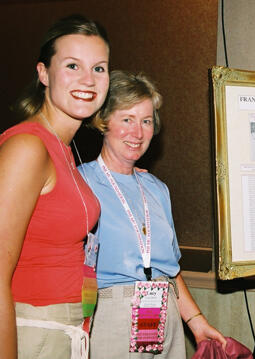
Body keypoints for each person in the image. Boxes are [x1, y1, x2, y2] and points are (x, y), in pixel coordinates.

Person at [78, 70, 226, 358]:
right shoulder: (80, 183)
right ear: (103, 122)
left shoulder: (157, 189)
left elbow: (169, 269)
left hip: (165, 316)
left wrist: (196, 322)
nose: (138, 132)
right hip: (110, 319)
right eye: (127, 119)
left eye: (146, 121)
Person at [0, 15, 110, 359]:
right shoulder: (27, 147)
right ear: (44, 73)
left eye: (100, 68)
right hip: (34, 332)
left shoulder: (64, 149)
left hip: (66, 331)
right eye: (73, 65)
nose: (88, 80)